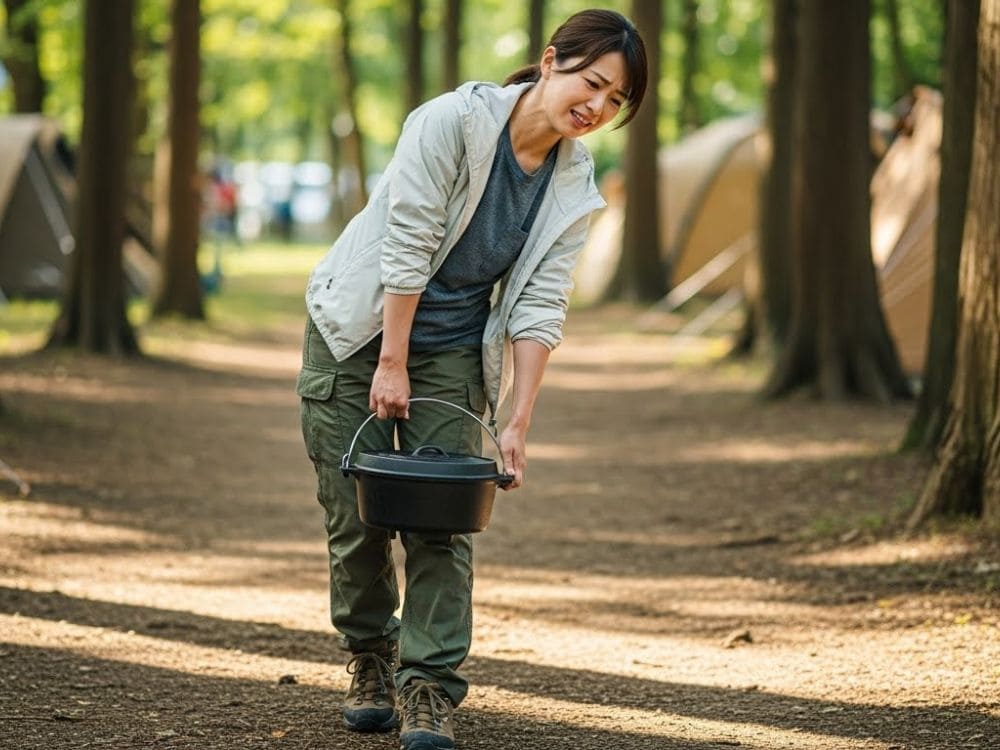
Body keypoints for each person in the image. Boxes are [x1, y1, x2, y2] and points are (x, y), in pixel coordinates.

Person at [297, 9, 647, 749]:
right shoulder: (451, 121)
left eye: (616, 102)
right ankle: (369, 657)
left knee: (441, 518)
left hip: (452, 350)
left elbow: (542, 306)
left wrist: (517, 419)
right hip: (359, 331)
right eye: (593, 83)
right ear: (550, 61)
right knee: (356, 519)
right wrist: (390, 361)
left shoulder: (575, 182)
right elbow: (410, 237)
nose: (597, 107)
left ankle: (428, 688)